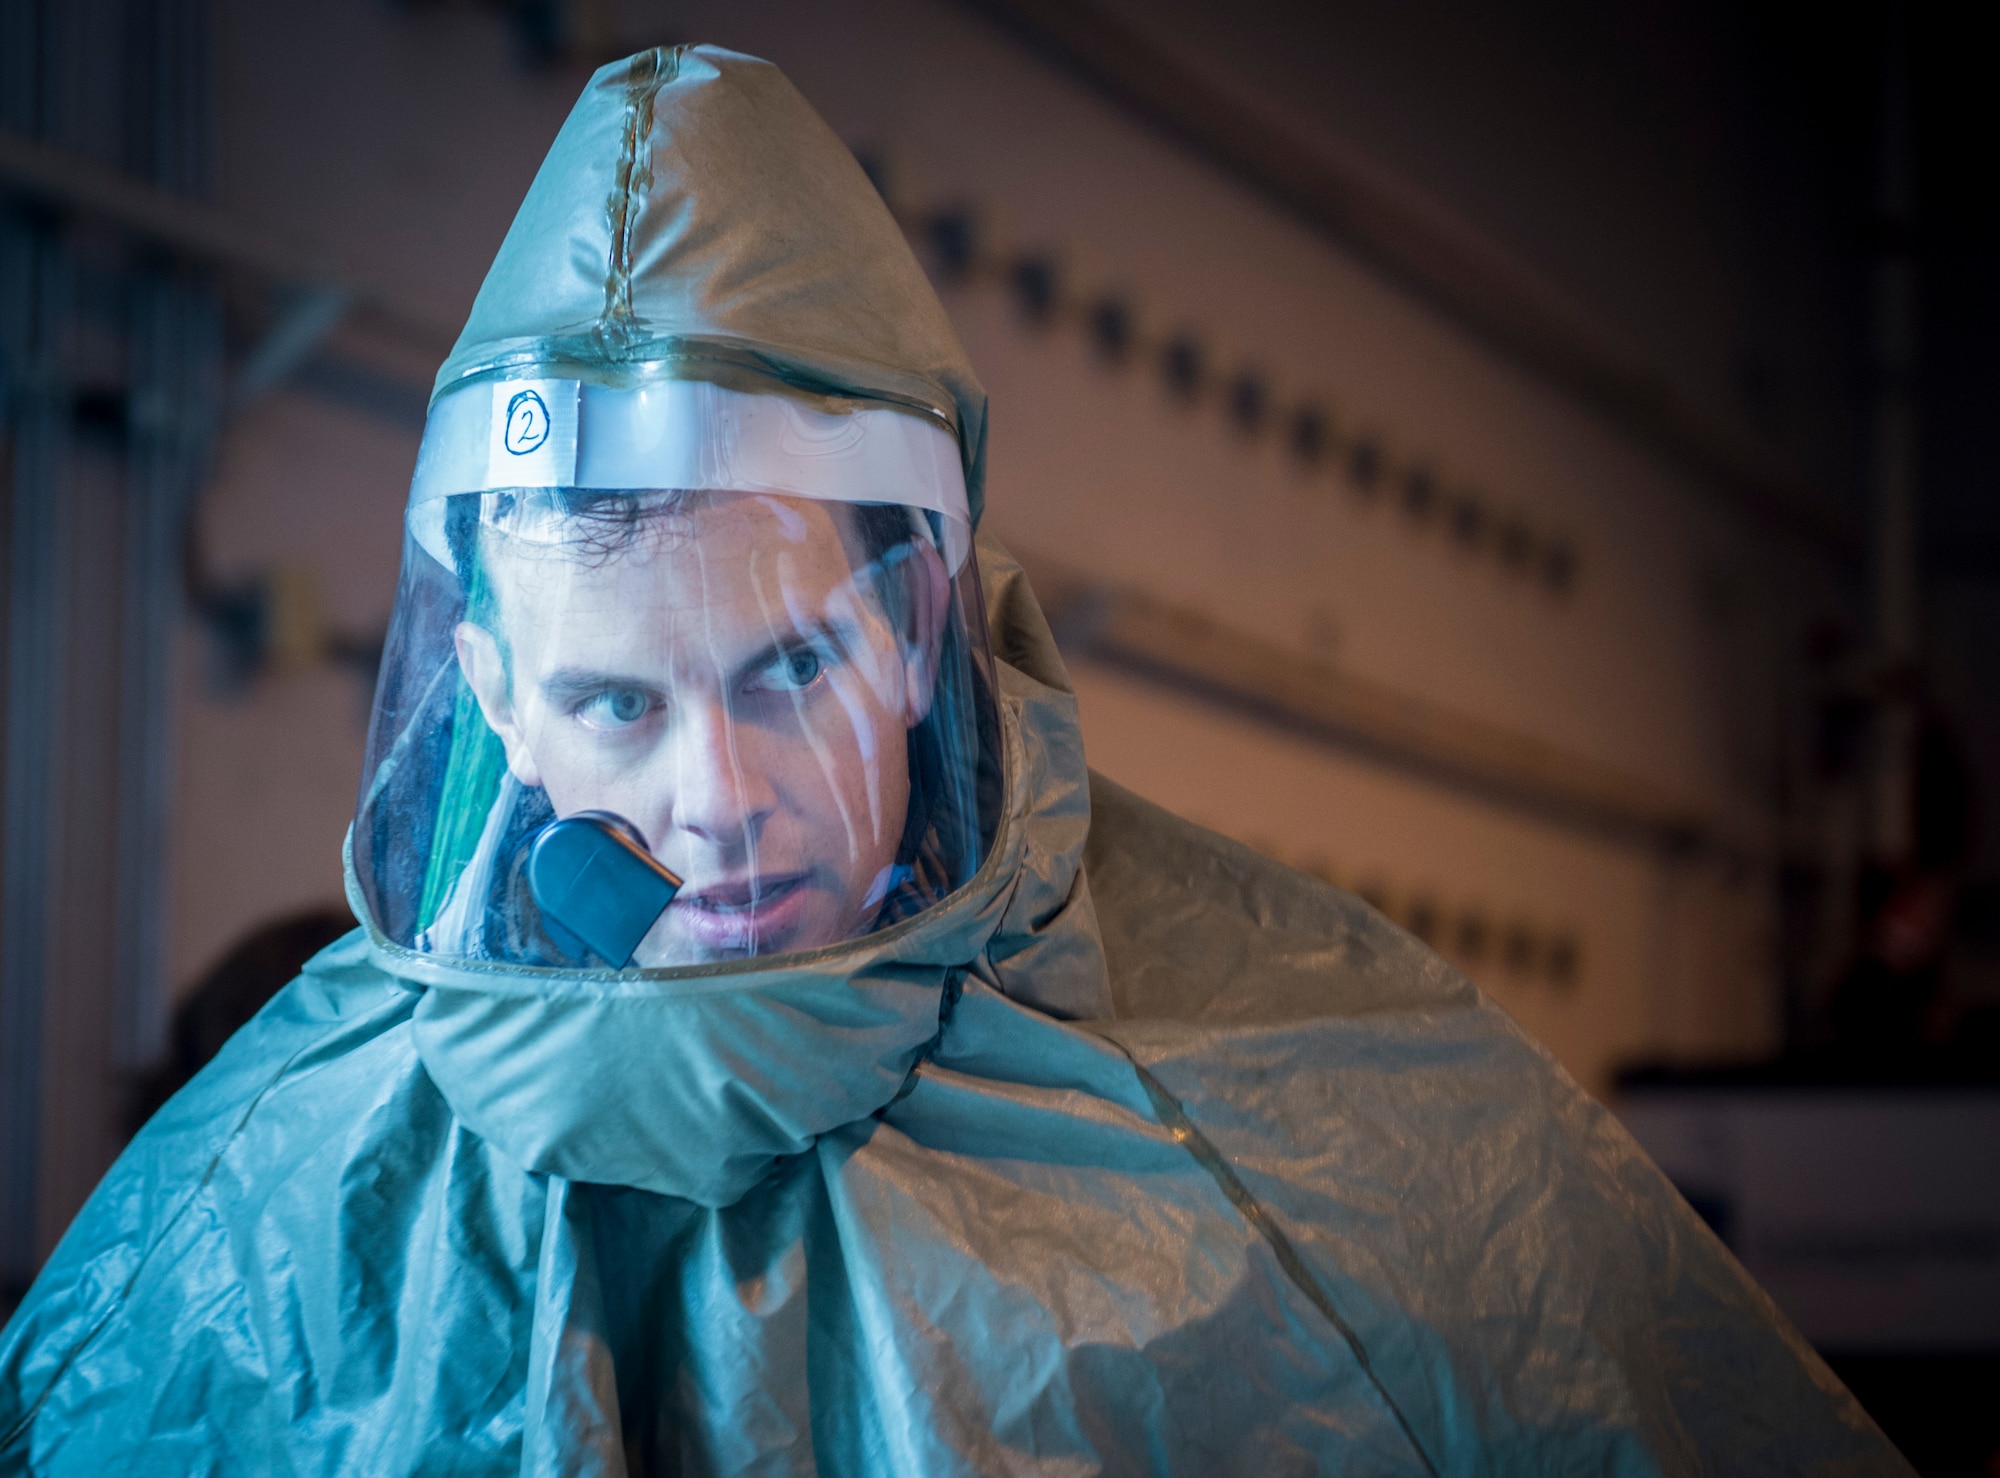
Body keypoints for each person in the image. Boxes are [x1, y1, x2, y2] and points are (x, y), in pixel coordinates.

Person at [0, 45, 1908, 1475]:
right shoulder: (273, 1189)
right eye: (614, 705)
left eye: (789, 666)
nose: (716, 799)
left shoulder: (1314, 1128)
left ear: (918, 628)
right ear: (490, 688)